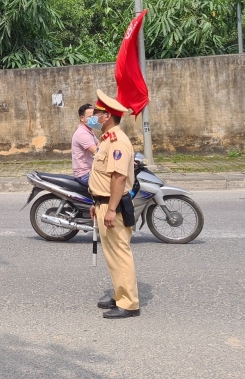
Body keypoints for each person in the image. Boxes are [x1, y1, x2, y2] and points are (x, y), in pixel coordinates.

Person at [87, 90, 140, 319]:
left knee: (120, 253)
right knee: (111, 255)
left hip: (113, 206)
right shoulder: (106, 139)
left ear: (107, 115)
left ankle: (129, 303)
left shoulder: (118, 142)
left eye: (97, 113)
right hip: (103, 202)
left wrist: (109, 209)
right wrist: (96, 202)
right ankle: (120, 295)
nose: (94, 117)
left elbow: (118, 178)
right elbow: (102, 177)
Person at [71, 103, 100, 186]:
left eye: (95, 116)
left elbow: (100, 145)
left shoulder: (89, 131)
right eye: (91, 116)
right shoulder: (82, 134)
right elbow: (97, 151)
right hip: (85, 174)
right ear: (82, 118)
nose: (94, 119)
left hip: (90, 170)